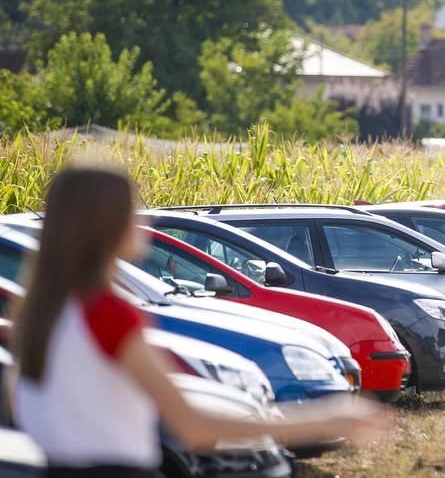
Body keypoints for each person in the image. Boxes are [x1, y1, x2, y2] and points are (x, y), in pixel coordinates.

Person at [8, 166, 391, 478]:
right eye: (133, 211)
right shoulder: (107, 313)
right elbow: (193, 427)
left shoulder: (39, 312)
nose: (145, 221)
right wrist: (323, 420)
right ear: (109, 225)